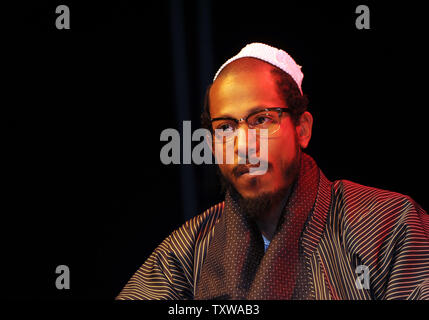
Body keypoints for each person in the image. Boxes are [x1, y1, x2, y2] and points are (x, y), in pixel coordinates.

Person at [116, 43, 429, 300]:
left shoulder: (387, 225)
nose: (242, 144)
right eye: (225, 127)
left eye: (261, 120)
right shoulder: (187, 252)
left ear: (302, 129)